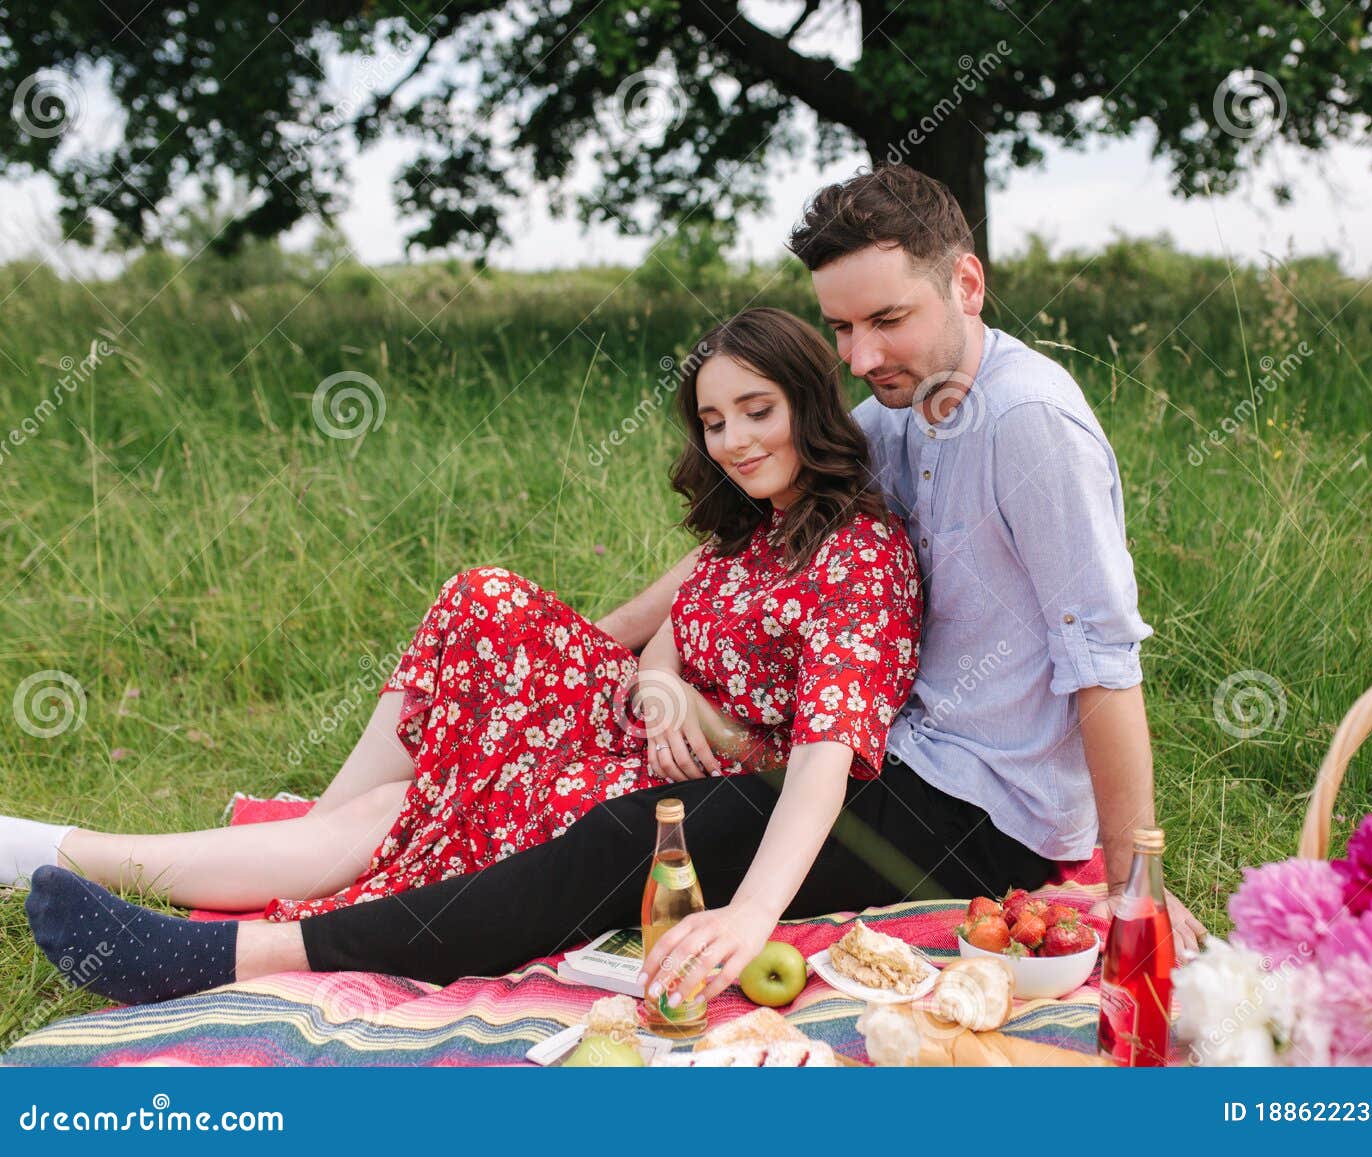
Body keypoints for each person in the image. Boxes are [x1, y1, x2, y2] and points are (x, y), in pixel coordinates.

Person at [25, 164, 1207, 1010]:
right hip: (860, 732)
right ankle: (301, 835)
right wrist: (644, 667)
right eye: (840, 328)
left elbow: (1103, 662)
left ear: (969, 282)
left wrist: (1131, 887)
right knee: (497, 638)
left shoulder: (1033, 425)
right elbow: (769, 525)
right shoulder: (894, 401)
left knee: (645, 835)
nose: (858, 357)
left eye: (885, 319)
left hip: (963, 801)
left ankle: (244, 957)